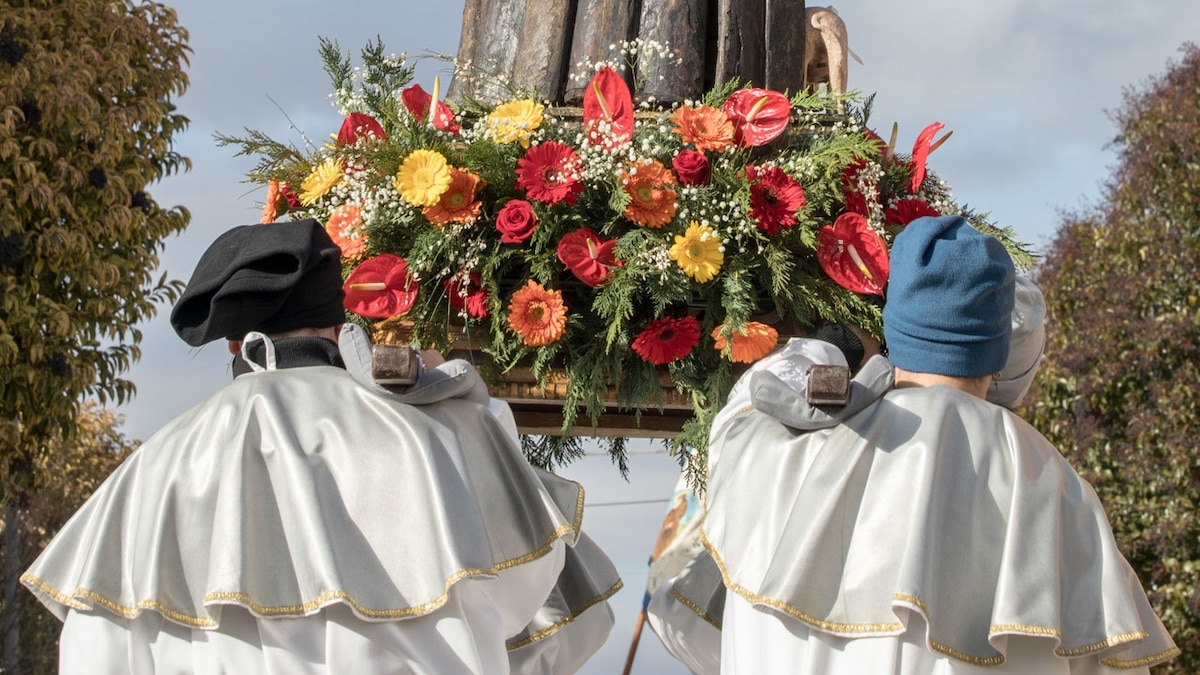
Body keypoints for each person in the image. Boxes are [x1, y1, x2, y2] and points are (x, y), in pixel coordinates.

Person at [21, 219, 618, 674]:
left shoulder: (155, 466)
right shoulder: (436, 434)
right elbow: (529, 591)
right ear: (340, 327)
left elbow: (95, 648)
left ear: (233, 343)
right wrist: (471, 407)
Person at [698, 215, 1178, 673]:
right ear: (998, 360)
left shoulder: (790, 439)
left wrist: (830, 348)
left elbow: (743, 409)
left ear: (892, 329)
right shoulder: (1053, 483)